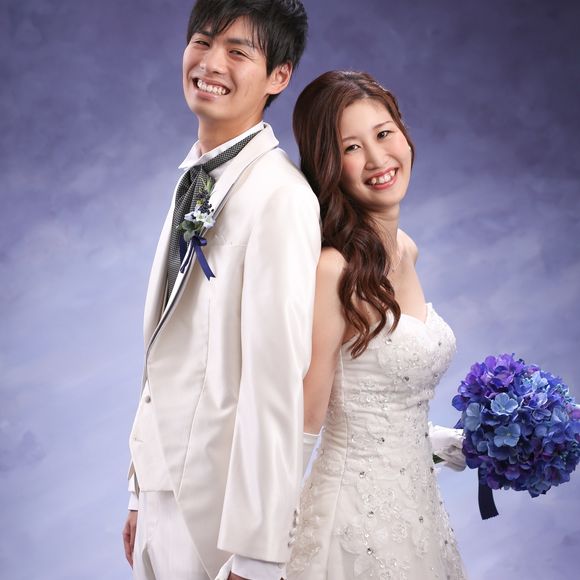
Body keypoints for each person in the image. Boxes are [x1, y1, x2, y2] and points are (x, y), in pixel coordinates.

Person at [121, 2, 320, 579]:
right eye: (202, 42)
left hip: (217, 517)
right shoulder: (194, 176)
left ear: (279, 75)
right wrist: (139, 489)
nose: (211, 63)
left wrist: (257, 554)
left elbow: (276, 385)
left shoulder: (282, 197)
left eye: (238, 51)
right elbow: (168, 343)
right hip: (160, 494)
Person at [287, 71, 467, 579]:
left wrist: (437, 442)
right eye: (351, 147)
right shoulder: (332, 270)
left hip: (419, 511)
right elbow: (307, 416)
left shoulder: (406, 248)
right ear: (328, 165)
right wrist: (258, 543)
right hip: (352, 520)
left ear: (404, 134)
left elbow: (381, 396)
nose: (377, 158)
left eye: (384, 133)